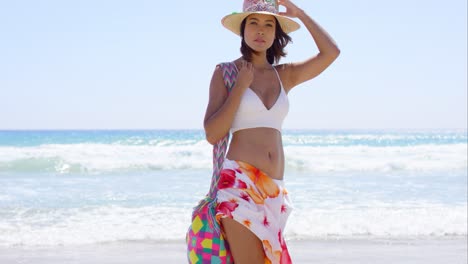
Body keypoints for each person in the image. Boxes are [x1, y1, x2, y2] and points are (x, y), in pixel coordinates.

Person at [203, 0, 340, 263]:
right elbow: (212, 133)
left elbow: (331, 53)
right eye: (253, 22)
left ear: (277, 33)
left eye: (269, 24)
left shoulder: (284, 75)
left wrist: (300, 14)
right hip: (238, 185)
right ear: (242, 29)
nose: (261, 30)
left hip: (274, 189)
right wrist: (241, 86)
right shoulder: (227, 73)